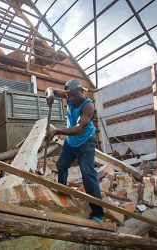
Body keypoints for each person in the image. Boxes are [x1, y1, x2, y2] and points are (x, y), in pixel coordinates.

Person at [45, 79, 104, 222]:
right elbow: (50, 88)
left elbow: (79, 128)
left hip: (85, 142)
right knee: (61, 165)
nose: (69, 99)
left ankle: (98, 213)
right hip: (71, 142)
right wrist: (50, 94)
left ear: (80, 92)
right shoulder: (70, 94)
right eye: (68, 96)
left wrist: (57, 131)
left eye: (72, 96)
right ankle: (63, 192)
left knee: (88, 174)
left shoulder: (88, 106)